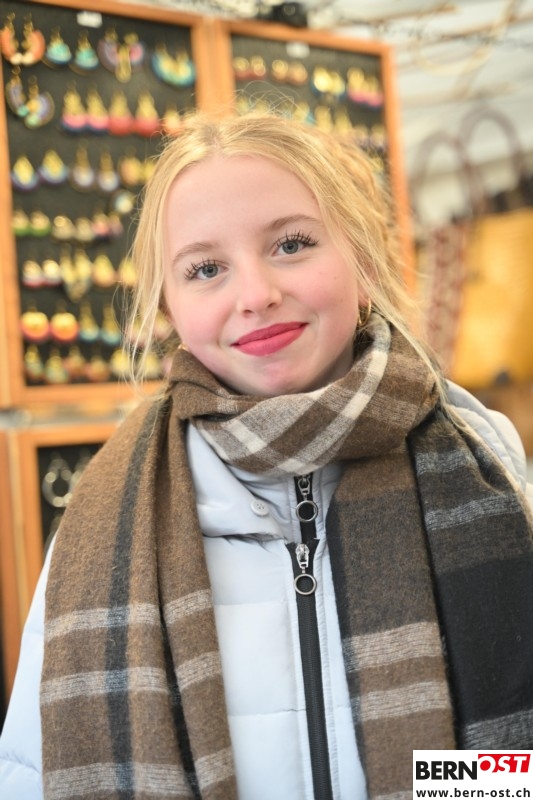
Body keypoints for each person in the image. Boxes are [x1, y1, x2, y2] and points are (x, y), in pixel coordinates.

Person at [1, 111, 533, 800]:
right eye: (205, 268)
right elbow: (32, 775)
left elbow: (513, 766)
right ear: (169, 307)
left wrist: (457, 785)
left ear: (364, 263)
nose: (255, 295)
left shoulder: (483, 458)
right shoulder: (105, 524)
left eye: (290, 244)